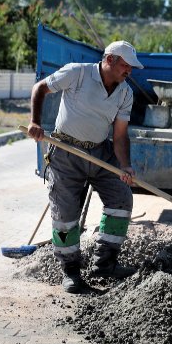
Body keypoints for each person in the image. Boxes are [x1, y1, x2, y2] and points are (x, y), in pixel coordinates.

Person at [27, 40, 143, 294]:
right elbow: (40, 88)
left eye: (131, 68)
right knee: (66, 214)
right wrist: (35, 122)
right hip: (66, 152)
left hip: (100, 153)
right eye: (126, 65)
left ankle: (105, 263)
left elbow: (120, 134)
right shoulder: (76, 73)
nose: (129, 72)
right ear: (110, 60)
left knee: (121, 198)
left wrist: (125, 166)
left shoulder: (125, 93)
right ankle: (70, 272)